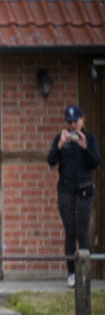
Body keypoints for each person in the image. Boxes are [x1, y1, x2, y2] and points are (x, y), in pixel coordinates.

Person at [47, 105, 100, 287]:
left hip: (85, 190)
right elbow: (51, 161)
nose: (72, 125)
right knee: (70, 232)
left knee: (82, 232)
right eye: (69, 122)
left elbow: (95, 162)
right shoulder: (60, 139)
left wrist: (84, 147)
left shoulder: (90, 139)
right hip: (66, 191)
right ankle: (72, 273)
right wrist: (60, 145)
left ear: (82, 120)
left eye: (75, 121)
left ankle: (84, 274)